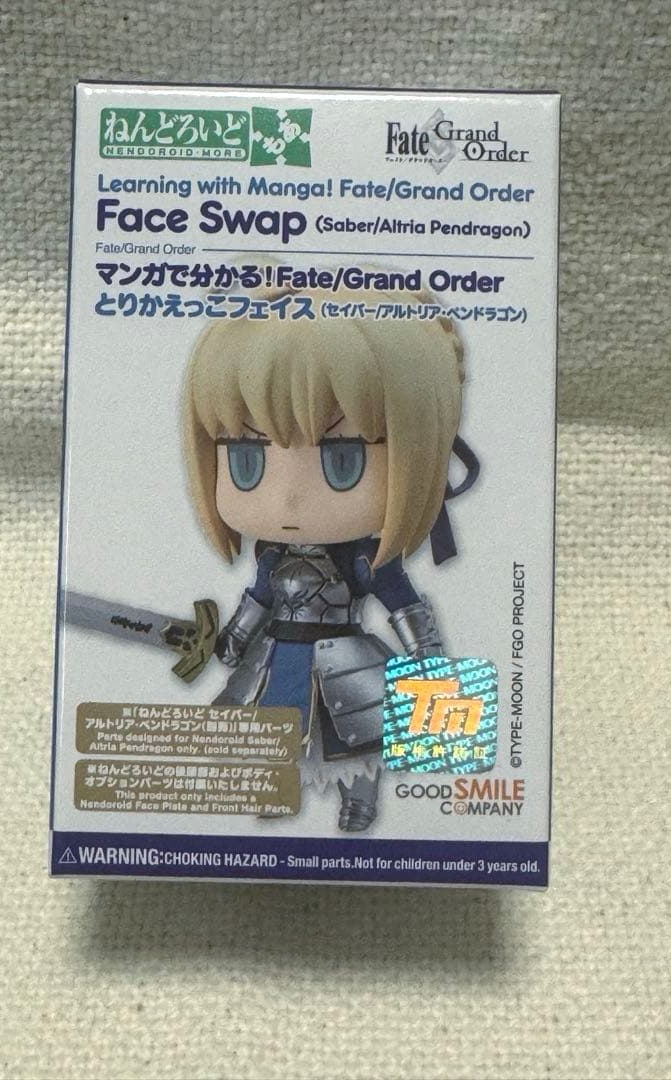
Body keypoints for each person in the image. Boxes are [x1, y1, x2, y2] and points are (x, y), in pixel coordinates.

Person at [183, 284, 476, 831]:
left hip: (346, 656)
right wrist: (234, 639)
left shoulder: (364, 558)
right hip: (278, 655)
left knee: (361, 737)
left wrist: (428, 659)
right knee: (276, 727)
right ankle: (276, 788)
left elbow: (402, 602)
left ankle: (360, 800)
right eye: (247, 459)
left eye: (344, 460)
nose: (289, 501)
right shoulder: (272, 556)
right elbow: (258, 599)